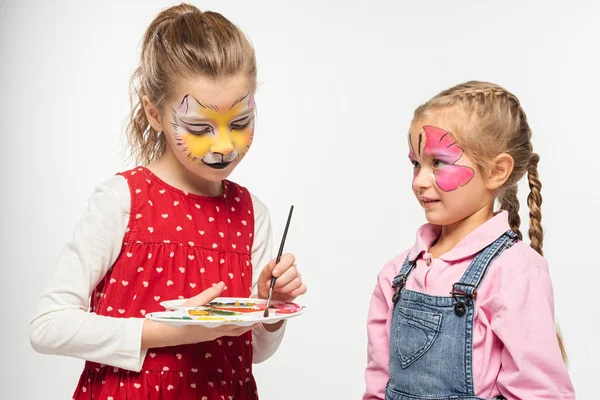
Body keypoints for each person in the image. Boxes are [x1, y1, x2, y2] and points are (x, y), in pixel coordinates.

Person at [30, 4, 306, 399]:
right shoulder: (123, 200)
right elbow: (48, 325)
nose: (225, 145)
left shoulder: (251, 214)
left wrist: (269, 306)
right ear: (154, 113)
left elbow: (252, 352)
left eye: (241, 123)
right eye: (198, 128)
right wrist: (168, 331)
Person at [364, 81, 575, 399]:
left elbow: (540, 392)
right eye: (416, 164)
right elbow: (379, 383)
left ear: (496, 171)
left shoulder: (514, 271)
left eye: (438, 162)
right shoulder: (396, 276)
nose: (420, 181)